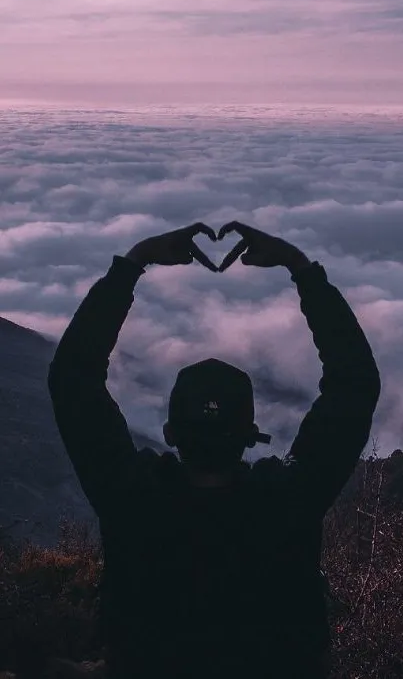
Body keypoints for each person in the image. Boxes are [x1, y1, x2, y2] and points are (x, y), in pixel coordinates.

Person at [48, 221, 381, 679]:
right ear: (251, 433)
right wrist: (299, 267)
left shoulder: (130, 498)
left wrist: (134, 263)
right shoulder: (289, 502)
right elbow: (354, 384)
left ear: (168, 432)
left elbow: (72, 378)